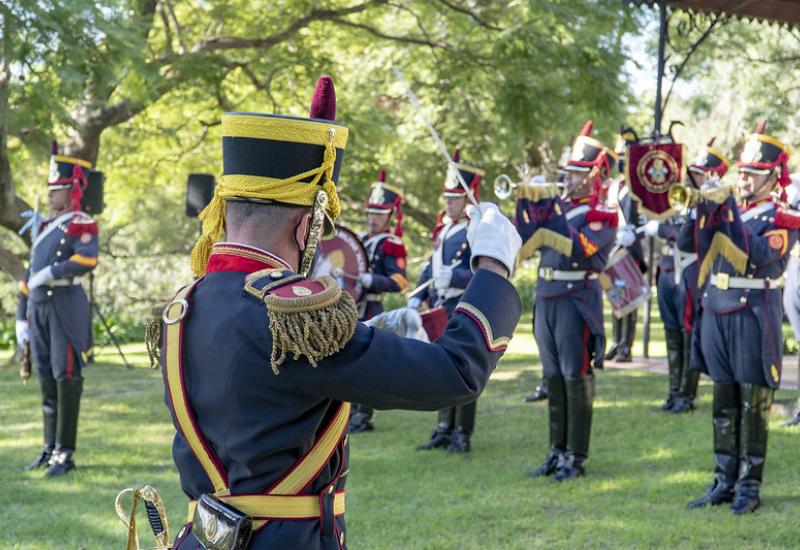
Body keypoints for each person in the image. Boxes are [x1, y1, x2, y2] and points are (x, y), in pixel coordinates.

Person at [162, 76, 522, 549]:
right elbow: (454, 373)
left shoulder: (185, 305)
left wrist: (367, 333)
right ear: (309, 226)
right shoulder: (289, 318)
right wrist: (493, 269)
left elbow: (262, 379)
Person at [687, 120, 798, 514]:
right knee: (723, 401)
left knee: (753, 402)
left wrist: (727, 208)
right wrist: (699, 208)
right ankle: (723, 479)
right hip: (718, 308)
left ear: (773, 177)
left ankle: (749, 487)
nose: (745, 180)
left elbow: (758, 255)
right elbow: (689, 244)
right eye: (743, 173)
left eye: (754, 174)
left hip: (754, 313)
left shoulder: (783, 219)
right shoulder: (730, 210)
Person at [521, 120, 618, 480]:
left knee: (575, 376)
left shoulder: (601, 215)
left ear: (595, 176)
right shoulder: (555, 209)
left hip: (575, 297)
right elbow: (525, 238)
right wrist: (527, 203)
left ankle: (575, 457)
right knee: (553, 377)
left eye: (577, 173)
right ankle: (555, 451)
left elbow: (581, 250)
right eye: (568, 172)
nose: (568, 179)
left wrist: (552, 209)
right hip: (546, 297)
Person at [18, 143, 99, 477]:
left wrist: (54, 272)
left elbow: (87, 259)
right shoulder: (44, 227)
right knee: (47, 379)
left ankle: (65, 454)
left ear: (72, 190)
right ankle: (49, 447)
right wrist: (21, 315)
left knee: (66, 376)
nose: (50, 195)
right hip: (38, 309)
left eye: (57, 189)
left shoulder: (80, 222)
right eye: (50, 189)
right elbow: (29, 271)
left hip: (64, 306)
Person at [410, 148, 485, 454]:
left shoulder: (475, 228)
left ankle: (461, 433)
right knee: (442, 367)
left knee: (463, 368)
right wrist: (417, 296)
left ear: (468, 198)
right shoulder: (443, 229)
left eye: (454, 198)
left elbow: (483, 272)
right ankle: (443, 427)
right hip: (440, 304)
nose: (448, 203)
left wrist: (453, 278)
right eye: (446, 198)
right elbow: (431, 266)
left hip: (462, 304)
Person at [667, 139, 730, 414]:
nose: (696, 179)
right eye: (695, 174)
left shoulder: (719, 205)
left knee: (689, 330)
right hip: (680, 270)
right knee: (675, 331)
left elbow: (687, 242)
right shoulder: (691, 200)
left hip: (699, 272)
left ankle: (686, 394)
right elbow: (677, 235)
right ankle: (674, 391)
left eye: (702, 174)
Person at [349, 169, 409, 433]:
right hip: (351, 307)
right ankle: (347, 413)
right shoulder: (359, 239)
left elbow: (400, 282)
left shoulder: (391, 244)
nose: (373, 219)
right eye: (371, 213)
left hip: (372, 307)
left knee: (366, 362)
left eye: (378, 214)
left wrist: (372, 280)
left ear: (389, 216)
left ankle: (364, 416)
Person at [607, 130, 647, 362]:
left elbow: (647, 219)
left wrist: (636, 233)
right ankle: (616, 341)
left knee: (629, 297)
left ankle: (626, 346)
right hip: (615, 246)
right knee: (615, 294)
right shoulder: (615, 186)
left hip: (632, 248)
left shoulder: (640, 185)